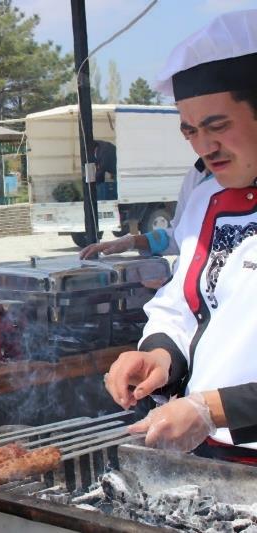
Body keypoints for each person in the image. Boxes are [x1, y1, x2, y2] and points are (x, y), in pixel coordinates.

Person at [104, 10, 257, 463]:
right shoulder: (206, 197)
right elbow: (185, 306)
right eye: (190, 130)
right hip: (210, 452)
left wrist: (211, 409)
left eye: (217, 126)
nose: (203, 147)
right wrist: (160, 356)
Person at [79, 159, 212, 259]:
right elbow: (179, 236)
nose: (205, 144)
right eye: (191, 133)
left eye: (218, 127)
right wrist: (132, 242)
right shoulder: (195, 175)